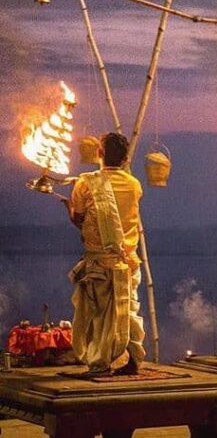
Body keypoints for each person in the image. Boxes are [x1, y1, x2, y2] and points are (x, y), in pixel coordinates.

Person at [67, 132, 146, 375]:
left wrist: (69, 208)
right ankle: (134, 359)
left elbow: (79, 220)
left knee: (99, 314)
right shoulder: (134, 185)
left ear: (99, 153)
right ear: (125, 160)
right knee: (128, 309)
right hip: (128, 261)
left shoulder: (85, 183)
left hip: (100, 262)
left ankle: (100, 363)